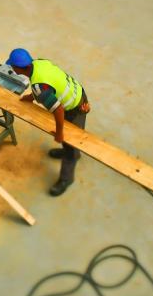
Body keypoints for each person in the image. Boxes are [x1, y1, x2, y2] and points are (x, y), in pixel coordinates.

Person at [6, 48, 91, 196]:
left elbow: (58, 110)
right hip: (78, 92)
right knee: (68, 143)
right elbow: (48, 82)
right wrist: (32, 97)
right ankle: (70, 151)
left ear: (20, 68)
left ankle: (67, 178)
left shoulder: (39, 88)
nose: (11, 68)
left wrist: (59, 133)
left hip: (74, 107)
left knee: (70, 143)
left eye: (12, 66)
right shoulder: (39, 63)